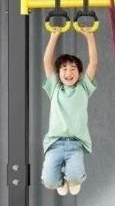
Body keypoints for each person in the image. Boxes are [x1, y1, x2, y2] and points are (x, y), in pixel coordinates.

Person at [41, 26, 98, 196]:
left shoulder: (83, 88)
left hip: (75, 145)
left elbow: (93, 63)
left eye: (73, 69)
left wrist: (89, 36)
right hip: (54, 143)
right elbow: (46, 61)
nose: (68, 72)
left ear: (79, 73)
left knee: (75, 177)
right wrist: (54, 36)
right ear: (58, 73)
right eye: (64, 69)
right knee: (50, 182)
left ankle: (72, 178)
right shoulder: (54, 88)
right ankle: (61, 180)